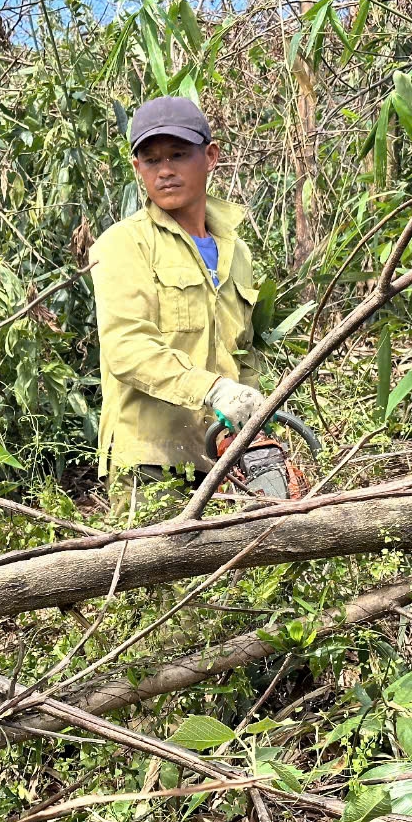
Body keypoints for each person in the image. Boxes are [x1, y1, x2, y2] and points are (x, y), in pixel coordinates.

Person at [89, 96, 267, 520]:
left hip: (222, 456)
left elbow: (245, 351)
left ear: (210, 156)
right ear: (138, 170)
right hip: (150, 458)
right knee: (153, 583)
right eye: (151, 160)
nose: (165, 170)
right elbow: (127, 348)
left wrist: (257, 419)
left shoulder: (235, 250)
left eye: (178, 155)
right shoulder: (123, 244)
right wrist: (213, 390)